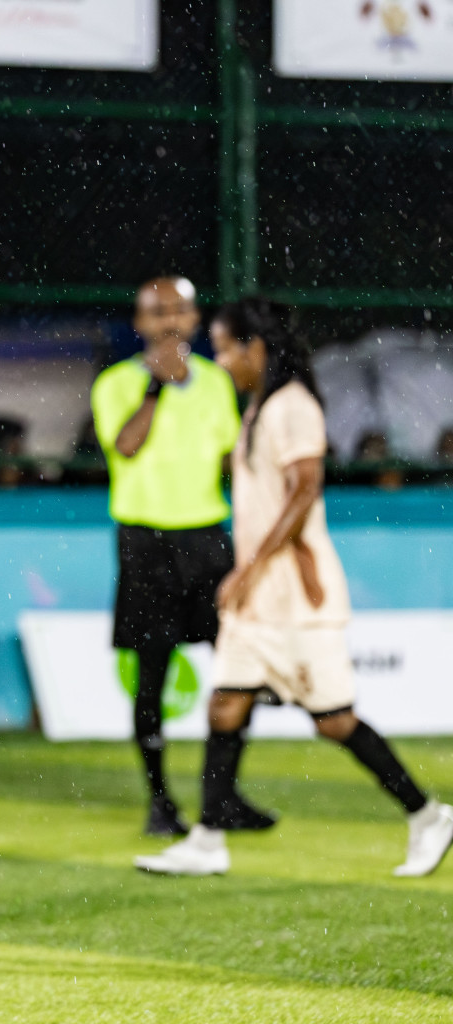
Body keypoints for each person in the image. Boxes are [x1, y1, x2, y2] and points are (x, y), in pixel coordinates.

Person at [136, 298, 453, 877]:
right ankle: (207, 841)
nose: (221, 361)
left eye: (226, 349)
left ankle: (427, 815)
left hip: (294, 595)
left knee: (334, 720)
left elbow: (305, 489)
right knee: (226, 704)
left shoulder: (294, 406)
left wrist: (249, 568)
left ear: (255, 348)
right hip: (258, 594)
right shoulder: (260, 407)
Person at [91, 277, 240, 836]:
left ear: (196, 319)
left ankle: (222, 796)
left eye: (180, 310)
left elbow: (229, 460)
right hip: (147, 542)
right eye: (158, 312)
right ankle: (160, 802)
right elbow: (126, 446)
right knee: (151, 674)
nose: (170, 321)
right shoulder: (115, 384)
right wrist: (156, 386)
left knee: (238, 669)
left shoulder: (217, 383)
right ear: (139, 324)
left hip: (208, 538)